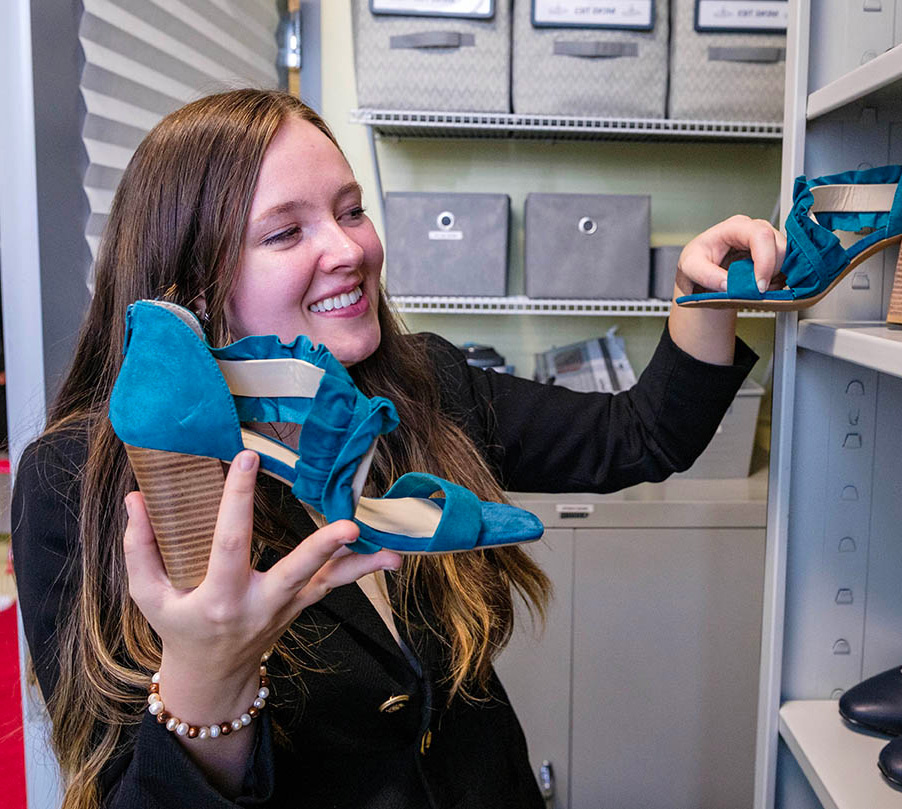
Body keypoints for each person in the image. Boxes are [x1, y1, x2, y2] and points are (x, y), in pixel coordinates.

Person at [11, 89, 783, 809]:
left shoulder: (425, 382)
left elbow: (637, 437)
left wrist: (701, 290)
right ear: (195, 291)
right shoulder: (77, 483)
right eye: (287, 231)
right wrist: (207, 678)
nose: (349, 248)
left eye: (351, 211)